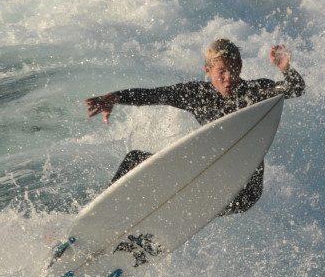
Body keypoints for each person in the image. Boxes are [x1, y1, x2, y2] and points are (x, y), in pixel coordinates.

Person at [84, 38, 305, 215]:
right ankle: (99, 215)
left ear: (240, 67)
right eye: (221, 71)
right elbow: (154, 94)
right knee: (135, 160)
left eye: (234, 70)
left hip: (243, 191)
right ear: (207, 70)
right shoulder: (197, 94)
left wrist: (286, 69)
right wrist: (115, 97)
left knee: (179, 200)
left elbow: (295, 89)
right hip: (206, 179)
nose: (229, 77)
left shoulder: (256, 91)